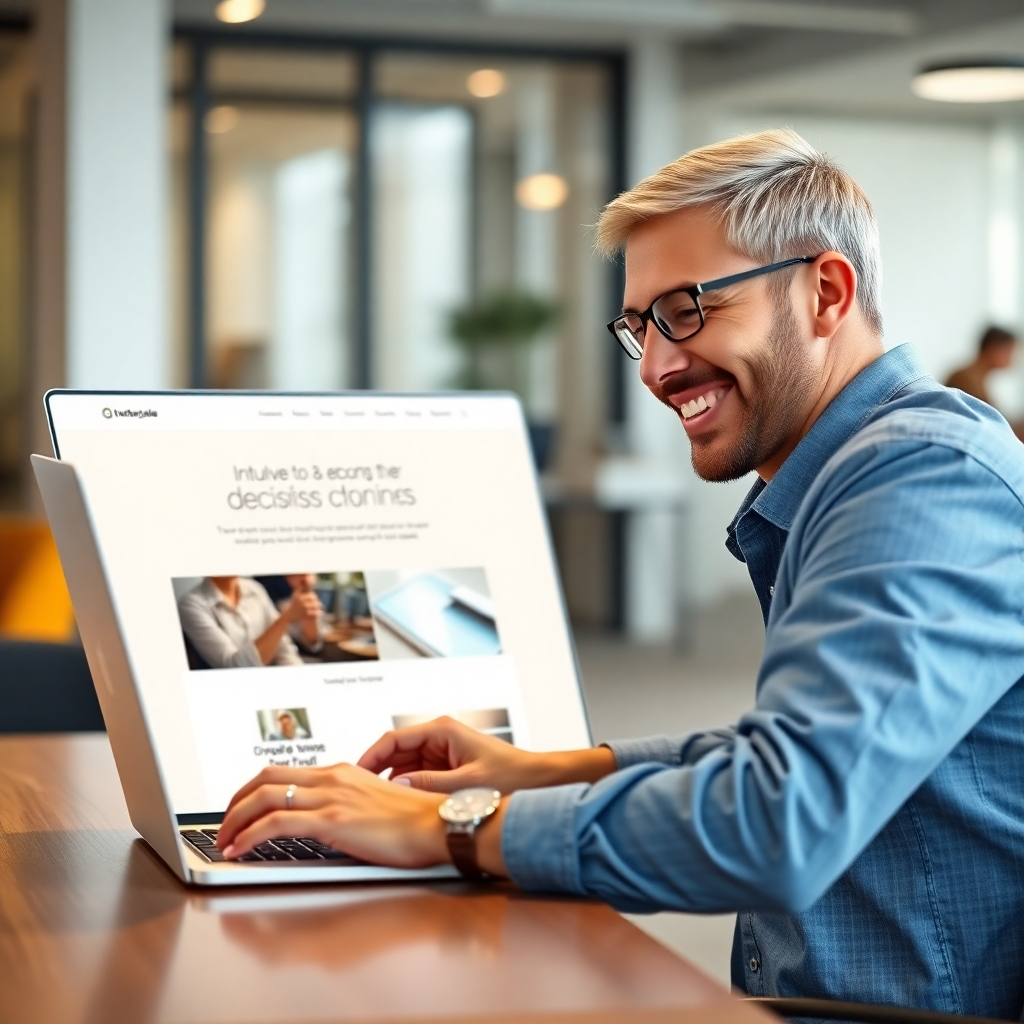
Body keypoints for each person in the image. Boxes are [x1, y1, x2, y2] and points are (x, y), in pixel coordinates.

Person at [215, 131, 1024, 1019]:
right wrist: (539, 772)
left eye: (687, 310)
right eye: (641, 326)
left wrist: (449, 828)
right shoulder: (855, 475)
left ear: (825, 292)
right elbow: (795, 751)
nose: (658, 366)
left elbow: (779, 818)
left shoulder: (923, 476)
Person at [178, 576, 320, 669]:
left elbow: (285, 651)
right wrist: (285, 619)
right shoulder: (191, 604)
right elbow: (234, 667)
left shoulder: (255, 588)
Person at [945, 326, 1024, 439]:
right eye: (1009, 352)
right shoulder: (965, 379)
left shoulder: (976, 377)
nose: (1012, 359)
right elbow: (986, 423)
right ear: (994, 349)